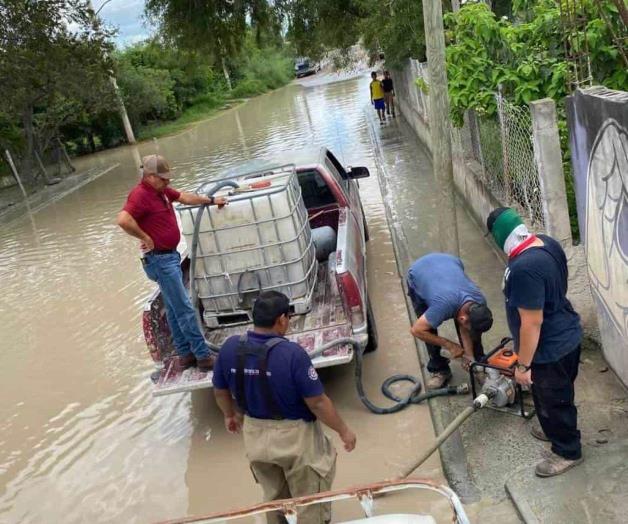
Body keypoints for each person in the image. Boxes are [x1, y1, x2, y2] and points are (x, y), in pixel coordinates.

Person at [213, 291, 356, 524]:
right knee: (310, 501)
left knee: (274, 498)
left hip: (255, 437)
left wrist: (230, 415)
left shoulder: (229, 348)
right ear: (281, 319)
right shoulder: (292, 354)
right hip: (295, 440)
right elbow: (318, 403)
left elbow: (220, 391)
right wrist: (344, 431)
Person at [487, 207, 583, 477]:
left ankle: (567, 451)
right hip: (568, 332)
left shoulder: (524, 268)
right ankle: (553, 425)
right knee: (560, 394)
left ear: (499, 236)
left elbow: (532, 322)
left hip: (549, 350)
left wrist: (523, 365)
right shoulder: (547, 243)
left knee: (552, 400)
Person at [117, 154, 227, 372]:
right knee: (185, 308)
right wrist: (144, 237)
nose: (167, 182)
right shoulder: (140, 195)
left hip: (169, 257)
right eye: (163, 178)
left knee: (174, 307)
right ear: (149, 177)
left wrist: (212, 200)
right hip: (159, 260)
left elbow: (185, 197)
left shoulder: (161, 192)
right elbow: (123, 220)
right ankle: (203, 357)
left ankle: (185, 354)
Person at [407, 253, 494, 389]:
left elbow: (465, 328)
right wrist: (449, 345)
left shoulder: (479, 300)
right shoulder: (442, 306)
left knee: (474, 333)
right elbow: (416, 330)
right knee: (428, 330)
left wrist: (469, 356)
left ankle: (477, 365)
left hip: (449, 263)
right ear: (462, 318)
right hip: (419, 272)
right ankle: (439, 369)